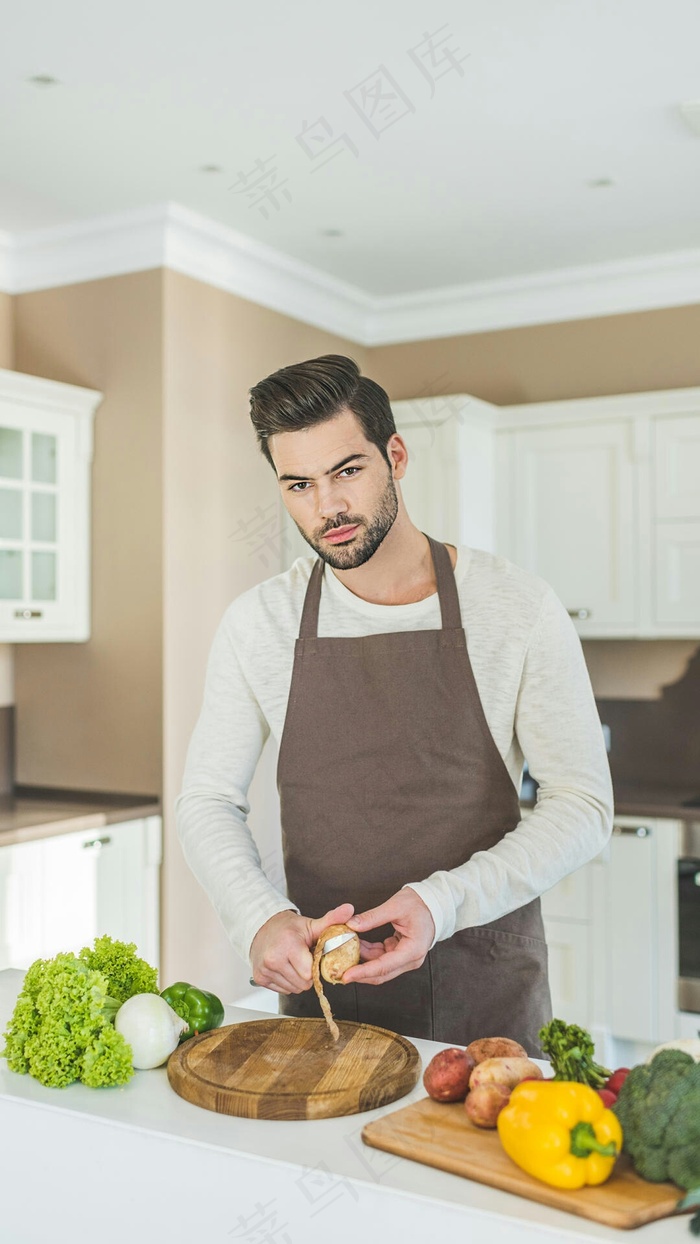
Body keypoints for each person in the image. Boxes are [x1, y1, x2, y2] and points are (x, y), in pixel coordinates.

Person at [176, 354, 613, 1052]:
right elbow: (205, 799)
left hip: (484, 1001)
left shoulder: (517, 607)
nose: (327, 508)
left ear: (396, 456)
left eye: (347, 471)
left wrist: (439, 905)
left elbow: (583, 806)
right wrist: (257, 917)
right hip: (328, 1003)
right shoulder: (258, 623)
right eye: (298, 484)